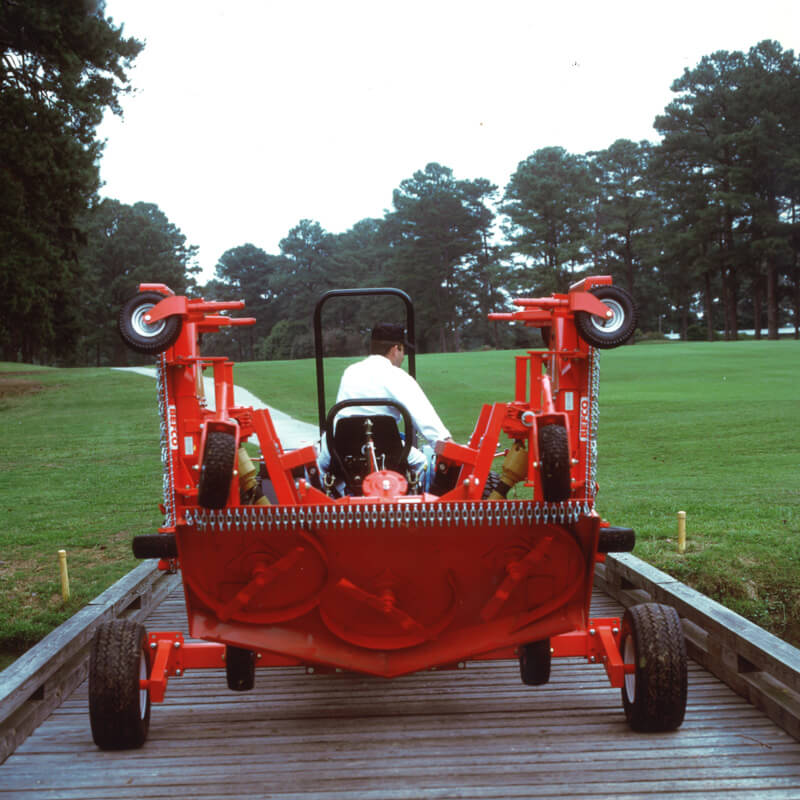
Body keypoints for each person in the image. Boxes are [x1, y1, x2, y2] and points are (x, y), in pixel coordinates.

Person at [318, 322, 451, 483]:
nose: (403, 357)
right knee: (423, 463)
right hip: (386, 450)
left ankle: (335, 493)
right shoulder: (398, 377)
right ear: (396, 349)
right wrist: (447, 443)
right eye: (403, 351)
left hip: (340, 449)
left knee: (321, 469)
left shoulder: (350, 372)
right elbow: (426, 420)